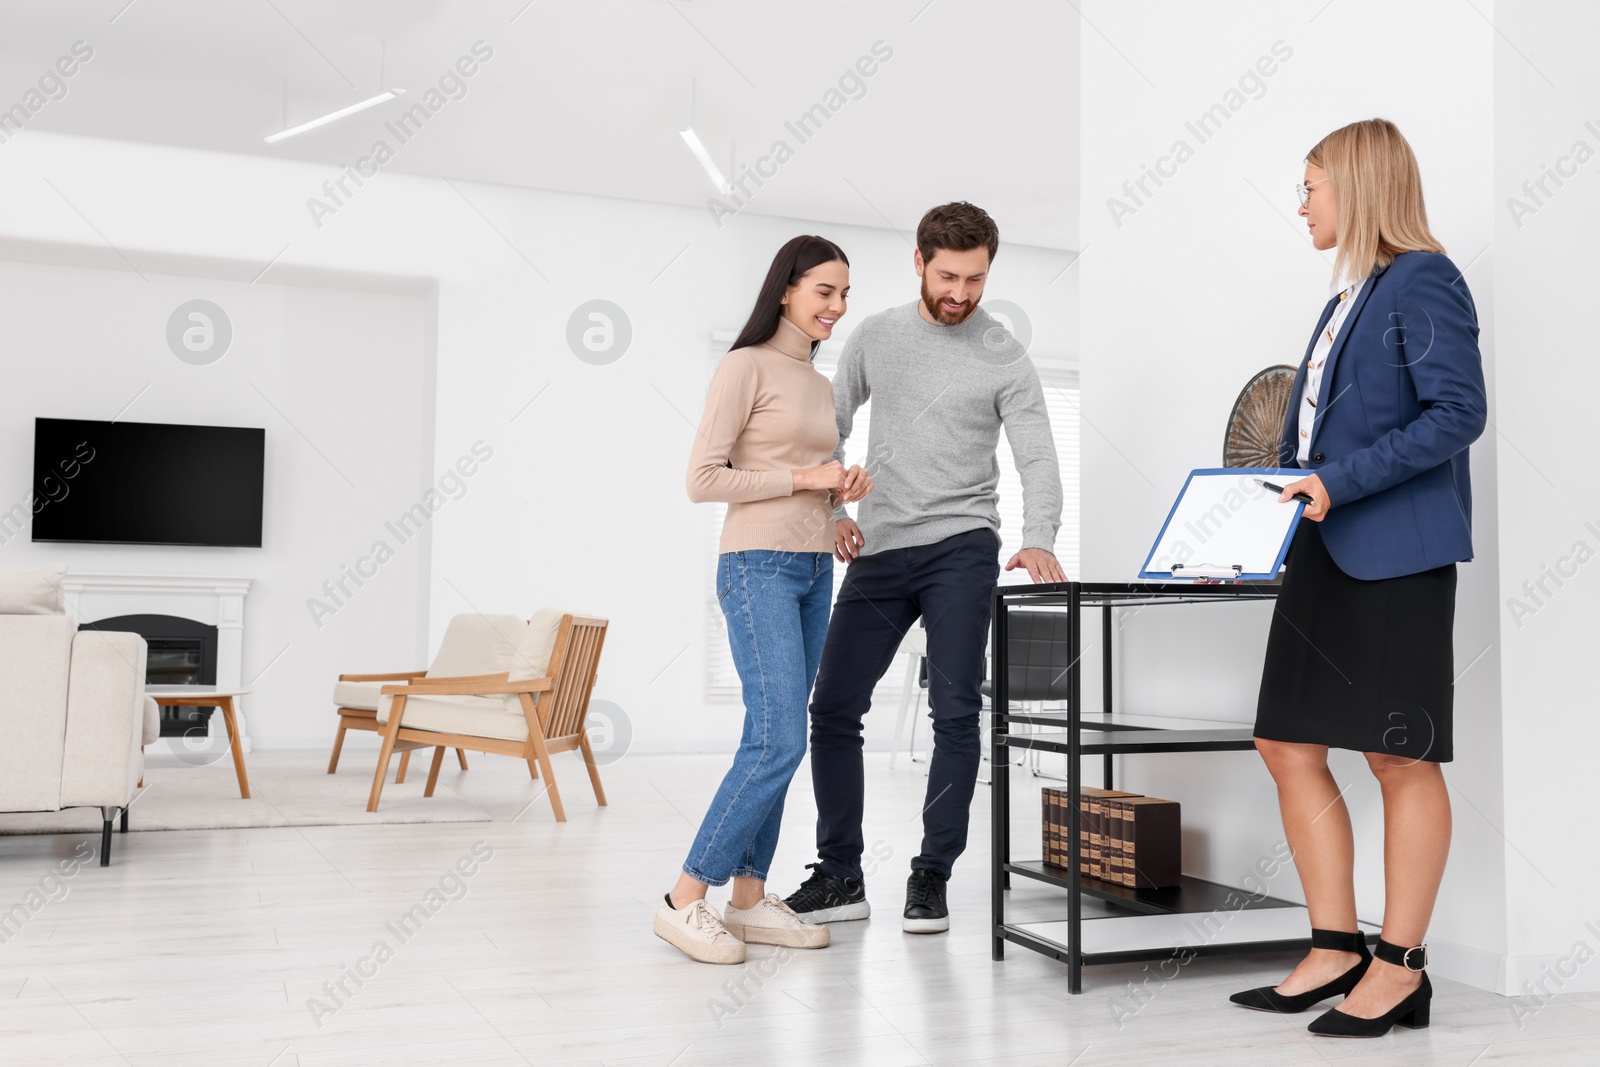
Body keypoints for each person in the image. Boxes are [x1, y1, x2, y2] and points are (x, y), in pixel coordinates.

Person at [1229, 119, 1487, 1036]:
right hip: (1321, 549)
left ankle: (1402, 965)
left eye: (1310, 187)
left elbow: (1460, 412)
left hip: (1395, 556)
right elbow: (1321, 435)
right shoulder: (1349, 294)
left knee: (1397, 753)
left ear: (1359, 183)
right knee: (1287, 741)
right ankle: (1335, 944)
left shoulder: (1425, 278)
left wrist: (1334, 482)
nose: (1300, 205)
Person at [782, 201, 1065, 934]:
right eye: (947, 275)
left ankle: (931, 871)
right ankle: (841, 872)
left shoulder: (1004, 351)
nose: (961, 292)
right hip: (879, 546)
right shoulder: (875, 336)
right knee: (833, 707)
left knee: (956, 710)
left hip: (961, 545)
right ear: (918, 261)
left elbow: (1036, 450)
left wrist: (1038, 534)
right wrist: (835, 514)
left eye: (975, 278)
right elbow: (827, 430)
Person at [654, 235, 874, 964]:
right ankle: (686, 897)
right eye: (824, 291)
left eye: (845, 294)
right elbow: (703, 480)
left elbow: (809, 473)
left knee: (780, 735)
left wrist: (839, 509)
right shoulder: (743, 366)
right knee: (779, 737)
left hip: (814, 569)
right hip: (756, 566)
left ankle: (748, 899)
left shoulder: (817, 379)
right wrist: (809, 481)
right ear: (786, 288)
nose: (837, 307)